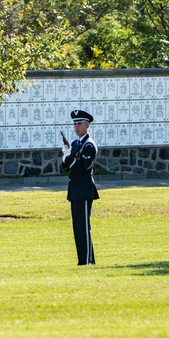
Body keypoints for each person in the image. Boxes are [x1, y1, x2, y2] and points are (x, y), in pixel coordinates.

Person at [61, 109, 99, 265]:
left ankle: (88, 260)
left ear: (87, 125)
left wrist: (70, 159)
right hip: (75, 190)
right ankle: (82, 259)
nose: (76, 127)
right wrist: (65, 156)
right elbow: (65, 168)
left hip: (84, 190)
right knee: (77, 228)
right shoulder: (76, 143)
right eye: (75, 124)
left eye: (79, 124)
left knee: (84, 227)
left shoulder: (89, 145)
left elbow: (81, 167)